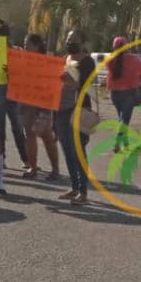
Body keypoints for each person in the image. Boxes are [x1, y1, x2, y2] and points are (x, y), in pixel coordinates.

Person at [56, 34, 96, 204]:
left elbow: (84, 86)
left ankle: (83, 192)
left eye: (74, 39)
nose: (70, 42)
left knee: (77, 151)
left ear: (82, 43)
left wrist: (70, 81)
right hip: (61, 110)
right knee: (67, 150)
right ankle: (74, 187)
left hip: (79, 110)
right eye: (68, 39)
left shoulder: (87, 62)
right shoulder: (65, 59)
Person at [20, 33, 60, 180]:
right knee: (29, 135)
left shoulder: (47, 62)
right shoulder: (22, 61)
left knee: (47, 137)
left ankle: (55, 169)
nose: (25, 46)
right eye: (24, 43)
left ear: (37, 46)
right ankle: (33, 167)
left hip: (43, 105)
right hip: (27, 104)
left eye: (28, 43)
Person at [0, 20, 30, 167]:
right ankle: (1, 158)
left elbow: (24, 71)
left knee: (17, 128)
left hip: (13, 95)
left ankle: (26, 159)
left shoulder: (17, 51)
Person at [103, 35, 141, 126]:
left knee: (122, 118)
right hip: (129, 93)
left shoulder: (109, 60)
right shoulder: (133, 59)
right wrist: (139, 80)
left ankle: (124, 139)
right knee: (124, 120)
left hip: (114, 93)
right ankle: (118, 137)